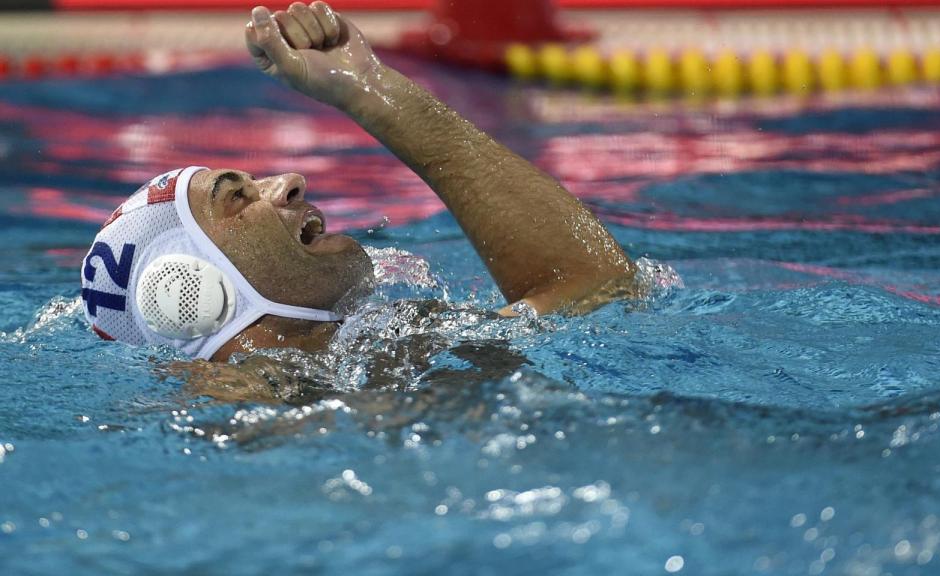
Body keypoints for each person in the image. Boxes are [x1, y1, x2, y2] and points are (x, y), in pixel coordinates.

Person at [81, 1, 636, 368]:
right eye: (238, 197)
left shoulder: (378, 357)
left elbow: (598, 291)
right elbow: (593, 291)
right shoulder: (258, 413)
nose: (290, 183)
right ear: (185, 293)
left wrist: (367, 86)